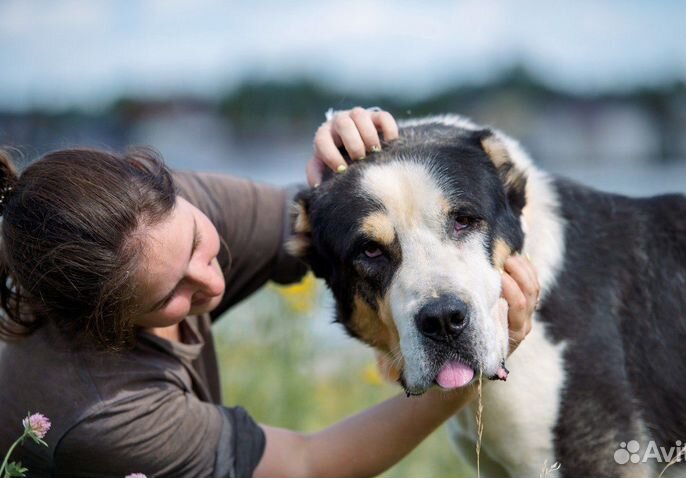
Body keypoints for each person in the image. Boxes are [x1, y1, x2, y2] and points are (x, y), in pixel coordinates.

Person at [0, 107, 539, 478]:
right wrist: (480, 353)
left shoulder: (153, 219)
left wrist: (348, 142)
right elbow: (309, 464)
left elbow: (327, 229)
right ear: (103, 323)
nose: (212, 281)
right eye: (170, 294)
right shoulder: (101, 410)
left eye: (196, 243)